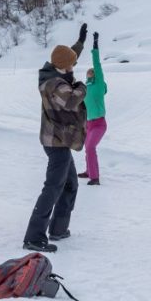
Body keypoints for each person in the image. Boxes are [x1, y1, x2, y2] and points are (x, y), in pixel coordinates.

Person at [22, 24, 88, 252]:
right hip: (56, 142)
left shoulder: (55, 70)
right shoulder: (54, 84)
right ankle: (33, 237)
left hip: (60, 140)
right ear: (63, 66)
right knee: (53, 187)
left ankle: (58, 229)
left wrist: (80, 43)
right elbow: (71, 100)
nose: (74, 67)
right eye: (72, 64)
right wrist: (82, 86)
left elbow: (67, 57)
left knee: (70, 184)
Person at [78, 32, 107, 186]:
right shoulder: (85, 87)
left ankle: (94, 178)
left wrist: (95, 45)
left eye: (92, 72)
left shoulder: (99, 85)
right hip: (88, 123)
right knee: (87, 148)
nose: (89, 72)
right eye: (87, 72)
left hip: (100, 123)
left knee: (90, 147)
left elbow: (97, 64)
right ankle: (89, 171)